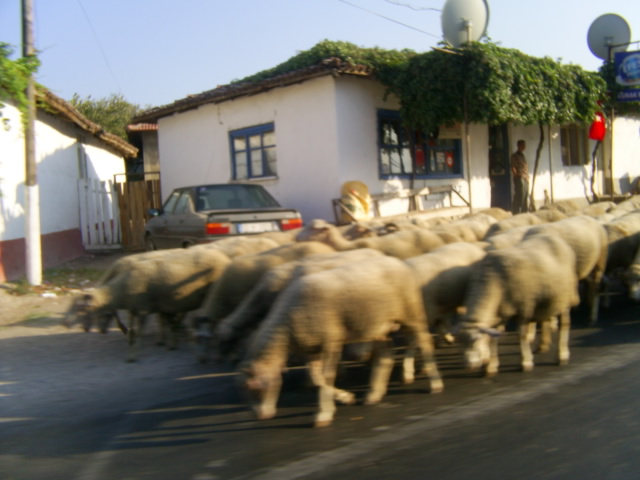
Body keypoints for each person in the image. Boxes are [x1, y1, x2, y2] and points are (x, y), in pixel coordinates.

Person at [510, 139, 529, 214]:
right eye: (523, 145)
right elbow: (513, 167)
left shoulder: (522, 155)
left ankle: (524, 211)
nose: (524, 147)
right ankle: (516, 211)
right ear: (519, 146)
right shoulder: (515, 156)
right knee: (519, 194)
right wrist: (516, 176)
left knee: (525, 194)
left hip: (525, 177)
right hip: (519, 177)